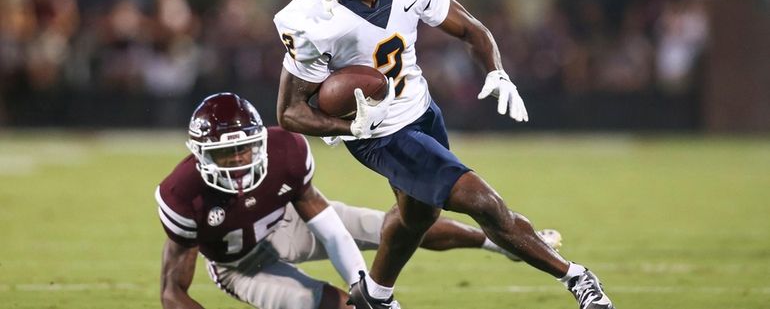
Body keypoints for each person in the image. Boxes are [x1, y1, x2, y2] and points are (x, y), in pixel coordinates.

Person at [274, 0, 615, 309]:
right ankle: (578, 279)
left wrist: (497, 70)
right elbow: (290, 111)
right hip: (379, 134)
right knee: (481, 201)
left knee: (416, 217)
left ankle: (374, 296)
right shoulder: (311, 19)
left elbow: (470, 29)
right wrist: (349, 127)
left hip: (421, 110)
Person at [156, 92, 563, 309]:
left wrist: (361, 284)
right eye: (224, 155)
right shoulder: (181, 192)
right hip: (240, 264)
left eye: (244, 149)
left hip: (285, 223)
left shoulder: (286, 149)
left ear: (261, 141)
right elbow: (172, 292)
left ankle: (499, 243)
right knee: (305, 302)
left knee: (386, 226)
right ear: (199, 154)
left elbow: (326, 224)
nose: (238, 162)